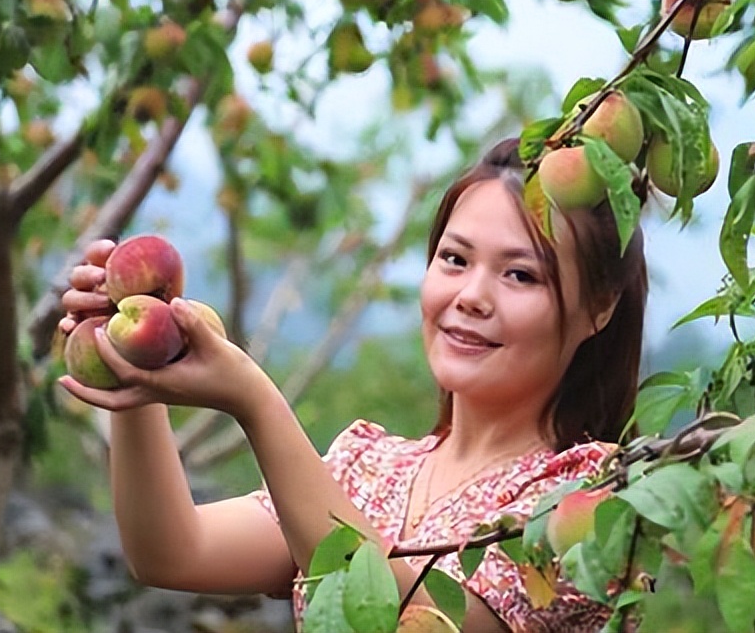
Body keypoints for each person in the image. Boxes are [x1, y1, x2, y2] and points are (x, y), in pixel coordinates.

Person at [58, 138, 648, 632]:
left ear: (598, 307)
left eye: (520, 274)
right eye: (454, 260)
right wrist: (137, 369)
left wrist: (256, 402)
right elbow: (171, 551)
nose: (470, 296)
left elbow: (403, 618)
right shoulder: (366, 469)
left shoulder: (590, 499)